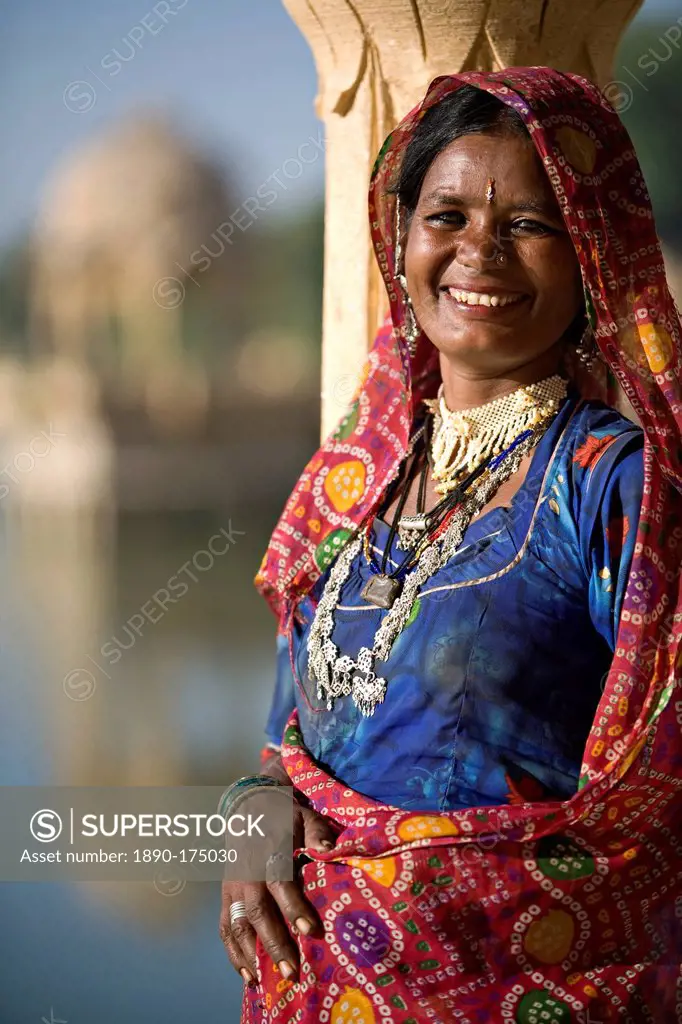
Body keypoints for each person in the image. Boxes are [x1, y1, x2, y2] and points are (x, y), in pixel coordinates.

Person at [221, 67, 682, 1023]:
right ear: (404, 239)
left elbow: (660, 793)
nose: (480, 253)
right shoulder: (350, 480)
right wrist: (255, 813)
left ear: (589, 250)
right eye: (448, 216)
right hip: (314, 994)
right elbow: (285, 740)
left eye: (527, 223)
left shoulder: (611, 487)